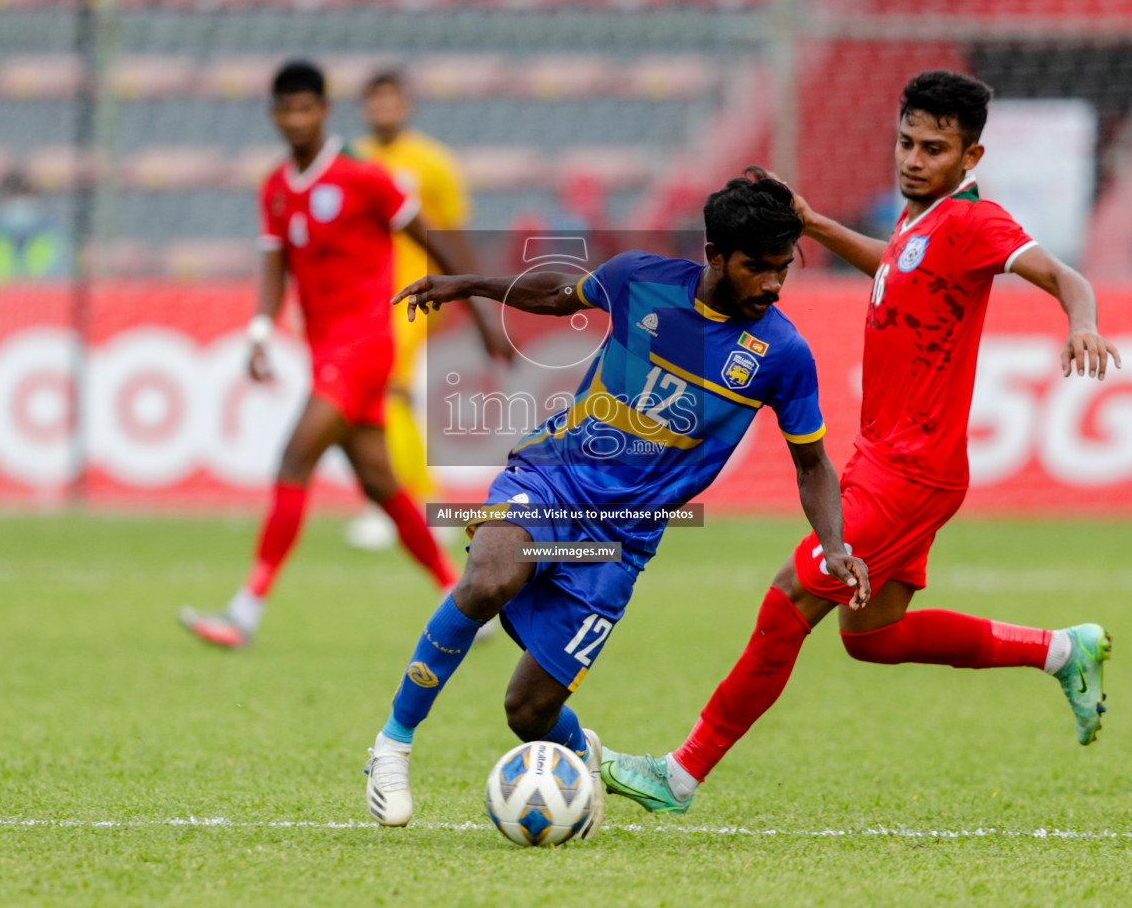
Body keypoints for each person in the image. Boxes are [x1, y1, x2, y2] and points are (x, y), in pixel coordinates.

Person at [599, 70, 1125, 817]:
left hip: (911, 471)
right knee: (870, 638)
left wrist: (1083, 322)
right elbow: (897, 267)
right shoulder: (921, 221)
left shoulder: (976, 223)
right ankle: (1063, 651)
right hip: (884, 457)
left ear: (970, 158)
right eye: (907, 142)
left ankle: (679, 775)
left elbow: (1062, 274)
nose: (914, 158)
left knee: (788, 602)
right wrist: (812, 223)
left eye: (934, 149)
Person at [361, 175, 870, 836]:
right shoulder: (640, 280)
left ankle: (581, 755)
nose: (773, 285)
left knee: (528, 711)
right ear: (714, 254)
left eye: (783, 269)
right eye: (758, 268)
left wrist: (832, 544)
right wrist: (475, 286)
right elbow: (559, 294)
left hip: (621, 541)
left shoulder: (779, 354)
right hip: (552, 477)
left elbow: (812, 463)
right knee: (490, 577)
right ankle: (393, 746)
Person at [179, 60, 501, 649]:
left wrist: (480, 308)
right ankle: (458, 595)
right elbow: (275, 265)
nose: (297, 119)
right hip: (325, 347)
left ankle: (245, 610)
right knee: (381, 482)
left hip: (366, 345)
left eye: (307, 108)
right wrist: (258, 333)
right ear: (274, 116)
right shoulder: (276, 188)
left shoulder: (363, 178)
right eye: (287, 110)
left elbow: (432, 236)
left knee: (292, 459)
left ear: (324, 112)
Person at [344, 69, 477, 551]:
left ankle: (407, 501)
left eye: (392, 101)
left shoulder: (432, 163)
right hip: (361, 295)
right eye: (375, 101)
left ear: (407, 105)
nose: (384, 110)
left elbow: (453, 231)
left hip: (413, 292)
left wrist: (463, 289)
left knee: (391, 389)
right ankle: (408, 501)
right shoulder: (353, 159)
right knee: (377, 396)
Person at [0, 172, 66, 281]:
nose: (19, 206)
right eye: (15, 199)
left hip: (45, 294)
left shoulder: (54, 234)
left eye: (23, 199)